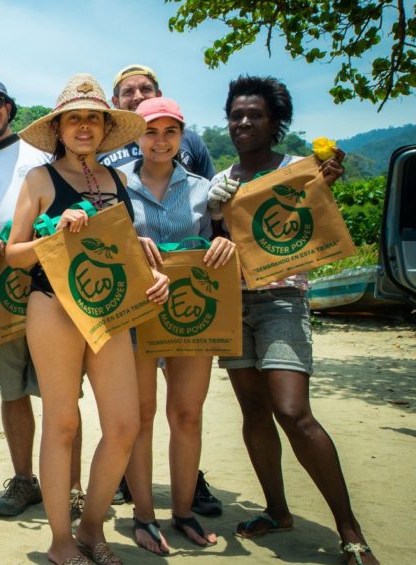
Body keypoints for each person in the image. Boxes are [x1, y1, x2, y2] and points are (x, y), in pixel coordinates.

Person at [205, 75, 378, 565]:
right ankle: (277, 510)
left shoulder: (297, 171)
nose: (242, 122)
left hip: (282, 301)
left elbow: (313, 219)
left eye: (254, 114)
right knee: (254, 413)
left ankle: (350, 530)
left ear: (276, 122)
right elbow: (220, 244)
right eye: (236, 114)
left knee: (292, 412)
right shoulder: (226, 178)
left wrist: (326, 178)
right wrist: (216, 213)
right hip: (233, 306)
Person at [4, 73, 169, 565]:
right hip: (52, 305)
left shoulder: (117, 181)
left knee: (123, 424)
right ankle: (58, 542)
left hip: (110, 308)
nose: (83, 127)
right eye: (73, 118)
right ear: (58, 127)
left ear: (104, 127)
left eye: (93, 118)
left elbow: (115, 249)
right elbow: (14, 255)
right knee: (62, 423)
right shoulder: (39, 179)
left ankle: (92, 526)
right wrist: (57, 235)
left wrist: (149, 273)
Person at [0, 76, 94, 520]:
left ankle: (73, 487)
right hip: (1, 287)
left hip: (57, 282)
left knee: (64, 391)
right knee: (11, 387)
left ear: (10, 109)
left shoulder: (42, 157)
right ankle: (24, 480)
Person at [117, 97, 235, 555]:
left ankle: (183, 512)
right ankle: (144, 517)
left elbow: (227, 241)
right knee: (141, 418)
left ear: (183, 135)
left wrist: (224, 244)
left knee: (187, 415)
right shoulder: (117, 187)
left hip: (192, 317)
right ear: (136, 137)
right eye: (151, 131)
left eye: (170, 131)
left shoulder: (207, 190)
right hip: (137, 317)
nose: (160, 140)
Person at [98, 64, 216, 180]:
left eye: (146, 89)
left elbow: (208, 188)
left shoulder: (190, 140)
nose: (138, 96)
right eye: (128, 91)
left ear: (159, 95)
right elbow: (81, 193)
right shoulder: (100, 144)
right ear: (116, 102)